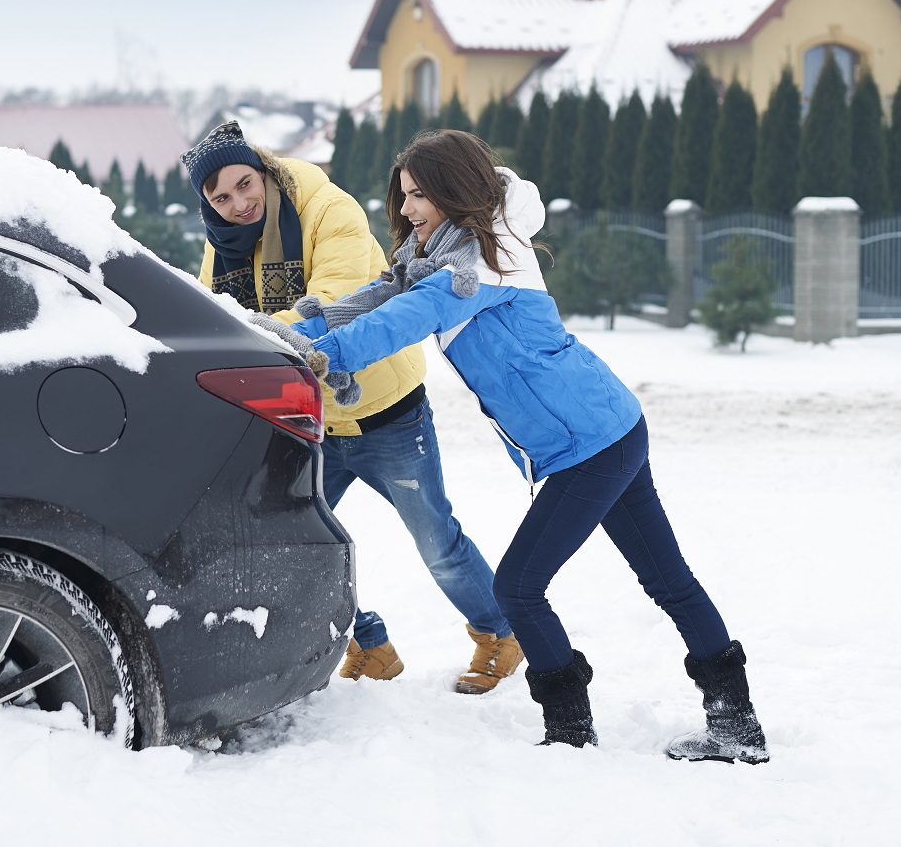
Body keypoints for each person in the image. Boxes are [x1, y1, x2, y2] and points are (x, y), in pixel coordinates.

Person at [292, 129, 769, 763]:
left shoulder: (480, 263)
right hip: (607, 428)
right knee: (666, 580)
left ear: (452, 191)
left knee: (519, 587)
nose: (405, 210)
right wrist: (294, 332)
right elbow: (374, 300)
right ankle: (735, 726)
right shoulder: (448, 254)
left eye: (417, 195)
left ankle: (572, 732)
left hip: (592, 444)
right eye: (403, 196)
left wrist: (323, 356)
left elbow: (400, 320)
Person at [179, 120, 524, 693]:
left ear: (263, 170)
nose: (239, 203)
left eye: (245, 184)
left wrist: (257, 333)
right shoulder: (224, 248)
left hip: (386, 410)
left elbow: (337, 302)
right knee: (281, 543)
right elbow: (218, 316)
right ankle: (369, 644)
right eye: (221, 197)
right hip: (307, 420)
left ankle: (499, 634)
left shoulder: (327, 210)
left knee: (436, 541)